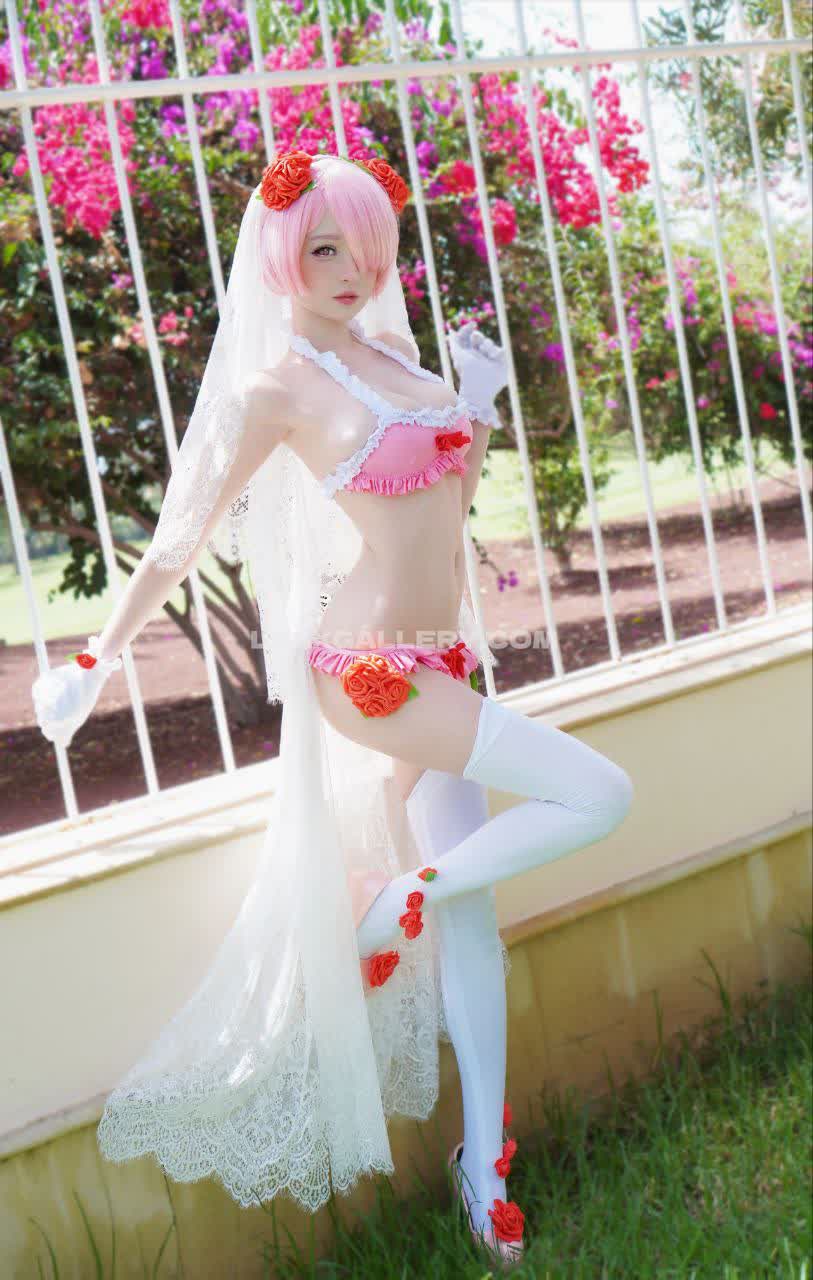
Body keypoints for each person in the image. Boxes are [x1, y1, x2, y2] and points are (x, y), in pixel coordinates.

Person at [32, 149, 633, 1269]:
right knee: (600, 793)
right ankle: (391, 899)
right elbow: (179, 536)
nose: (352, 270)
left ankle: (483, 1165)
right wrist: (94, 660)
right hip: (370, 669)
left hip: (443, 656)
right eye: (322, 250)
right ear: (279, 256)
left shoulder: (392, 355)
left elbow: (446, 510)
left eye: (364, 248)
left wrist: (480, 407)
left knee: (472, 919)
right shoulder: (276, 390)